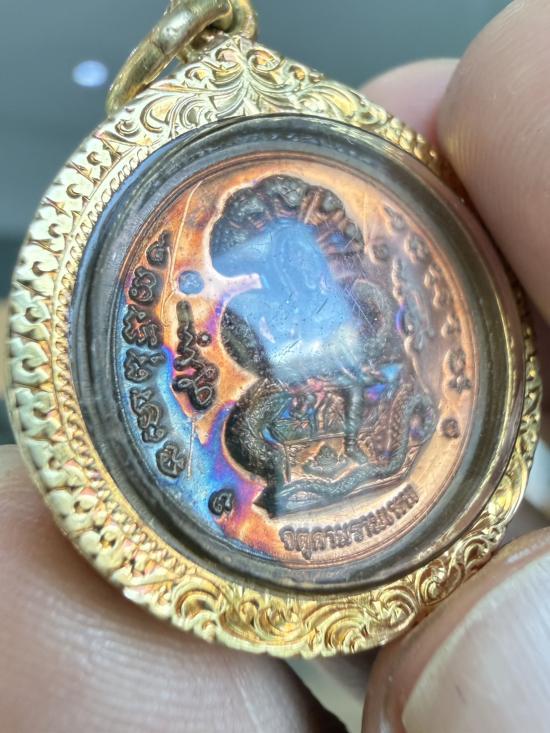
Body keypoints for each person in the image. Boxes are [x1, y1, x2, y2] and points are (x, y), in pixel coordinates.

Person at [2, 1, 550, 731]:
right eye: (259, 266)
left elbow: (381, 362)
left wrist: (344, 382)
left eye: (286, 257)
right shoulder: (249, 315)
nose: (273, 277)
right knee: (253, 427)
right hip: (293, 464)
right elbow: (261, 378)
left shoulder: (360, 296)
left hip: (372, 434)